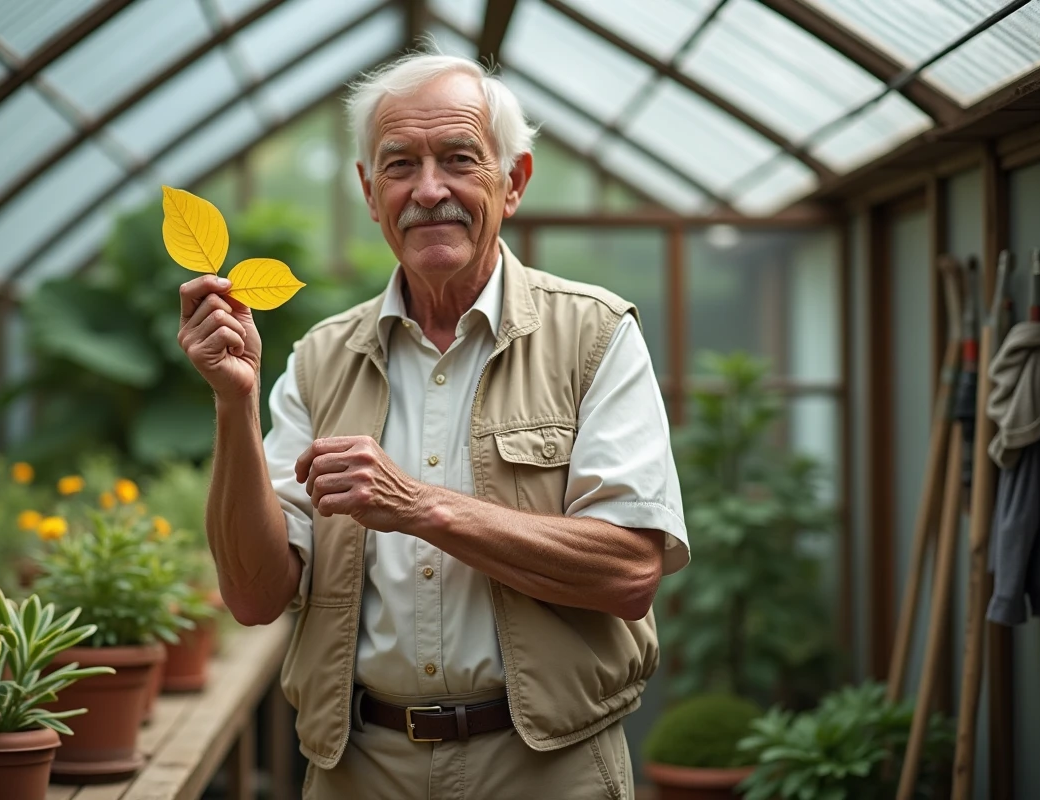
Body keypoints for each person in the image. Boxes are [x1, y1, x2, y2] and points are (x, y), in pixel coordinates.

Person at [177, 48, 689, 800]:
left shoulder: (594, 335)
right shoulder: (321, 359)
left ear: (512, 182)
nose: (429, 190)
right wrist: (232, 401)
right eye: (399, 165)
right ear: (368, 191)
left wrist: (418, 506)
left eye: (458, 158)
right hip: (360, 767)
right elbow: (254, 597)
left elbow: (629, 573)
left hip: (546, 767)